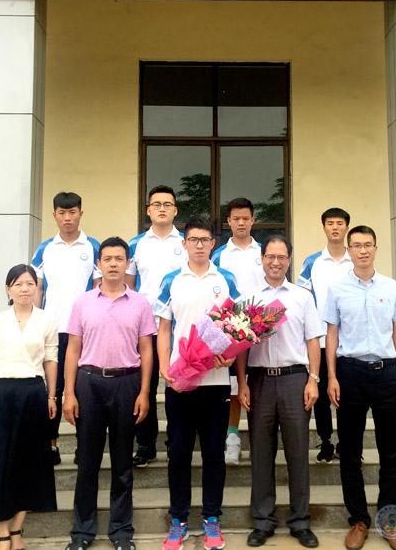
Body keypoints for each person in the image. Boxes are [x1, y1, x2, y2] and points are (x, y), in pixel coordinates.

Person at [63, 237, 156, 550]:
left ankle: (121, 531)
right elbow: (73, 349)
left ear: (128, 263)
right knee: (87, 462)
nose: (113, 264)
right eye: (107, 259)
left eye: (119, 259)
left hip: (126, 384)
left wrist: (145, 392)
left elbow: (146, 350)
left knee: (122, 464)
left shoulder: (140, 303)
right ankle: (82, 532)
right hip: (89, 384)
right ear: (98, 264)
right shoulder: (83, 302)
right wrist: (69, 393)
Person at [323, 226, 396, 550]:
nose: (362, 250)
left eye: (368, 245)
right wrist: (332, 377)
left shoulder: (391, 287)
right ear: (349, 250)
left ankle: (390, 521)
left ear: (376, 248)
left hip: (386, 373)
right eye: (357, 245)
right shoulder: (337, 289)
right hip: (350, 373)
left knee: (391, 450)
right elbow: (331, 334)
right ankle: (359, 520)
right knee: (349, 451)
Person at [156, 216, 240, 550]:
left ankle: (211, 518)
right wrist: (165, 367)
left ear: (213, 243)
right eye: (194, 240)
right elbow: (164, 328)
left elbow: (238, 326)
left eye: (205, 240)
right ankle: (178, 520)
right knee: (178, 452)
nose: (200, 245)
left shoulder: (226, 279)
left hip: (216, 381)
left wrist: (230, 356)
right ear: (184, 243)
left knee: (214, 453)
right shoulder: (171, 280)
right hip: (180, 382)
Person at [236, 235, 323, 549]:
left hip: (294, 380)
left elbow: (313, 340)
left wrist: (313, 379)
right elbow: (240, 345)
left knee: (298, 452)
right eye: (270, 257)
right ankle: (263, 521)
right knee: (261, 452)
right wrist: (242, 383)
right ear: (262, 259)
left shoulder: (302, 297)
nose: (275, 262)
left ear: (289, 260)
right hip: (259, 381)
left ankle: (300, 521)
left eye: (281, 257)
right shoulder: (248, 298)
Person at [0, 264, 58, 550]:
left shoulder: (46, 320)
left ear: (37, 288)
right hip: (0, 394)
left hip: (32, 394)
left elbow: (51, 360)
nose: (25, 289)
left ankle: (17, 529)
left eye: (30, 283)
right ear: (9, 289)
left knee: (29, 462)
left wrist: (52, 396)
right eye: (18, 284)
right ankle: (2, 532)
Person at [31, 191, 101, 464]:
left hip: (84, 332)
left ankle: (84, 447)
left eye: (72, 212)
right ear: (54, 215)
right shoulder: (45, 249)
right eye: (62, 213)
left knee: (83, 390)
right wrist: (34, 323)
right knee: (54, 389)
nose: (67, 218)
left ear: (80, 214)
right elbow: (36, 288)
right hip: (52, 330)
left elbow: (99, 288)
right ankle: (51, 444)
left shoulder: (93, 246)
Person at [125, 185, 187, 468]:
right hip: (145, 328)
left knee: (177, 386)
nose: (162, 209)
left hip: (179, 327)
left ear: (175, 210)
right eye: (156, 204)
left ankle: (176, 442)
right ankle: (145, 444)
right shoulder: (135, 244)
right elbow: (129, 287)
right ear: (148, 210)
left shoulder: (186, 243)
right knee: (145, 386)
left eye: (167, 204)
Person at [297, 207, 353, 464]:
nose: (335, 227)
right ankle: (326, 441)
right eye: (330, 223)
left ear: (346, 227)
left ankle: (347, 443)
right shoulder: (312, 262)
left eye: (339, 223)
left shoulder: (355, 260)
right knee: (320, 394)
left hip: (349, 342)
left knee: (347, 395)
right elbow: (302, 297)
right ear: (324, 228)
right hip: (319, 340)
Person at [211, 197, 264, 465]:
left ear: (253, 220)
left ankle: (260, 439)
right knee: (233, 386)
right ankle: (231, 436)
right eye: (236, 219)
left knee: (259, 385)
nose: (241, 223)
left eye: (246, 218)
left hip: (262, 330)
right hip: (230, 331)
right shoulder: (219, 255)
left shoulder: (264, 252)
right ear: (228, 222)